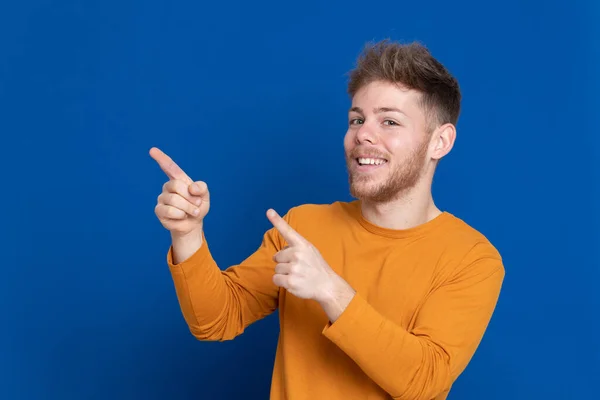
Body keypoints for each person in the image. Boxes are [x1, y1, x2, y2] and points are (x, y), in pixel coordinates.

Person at [149, 39, 505, 400]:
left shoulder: (472, 259)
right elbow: (215, 319)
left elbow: (424, 383)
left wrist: (331, 291)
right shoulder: (303, 227)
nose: (363, 133)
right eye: (357, 119)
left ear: (440, 142)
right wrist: (188, 233)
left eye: (390, 121)